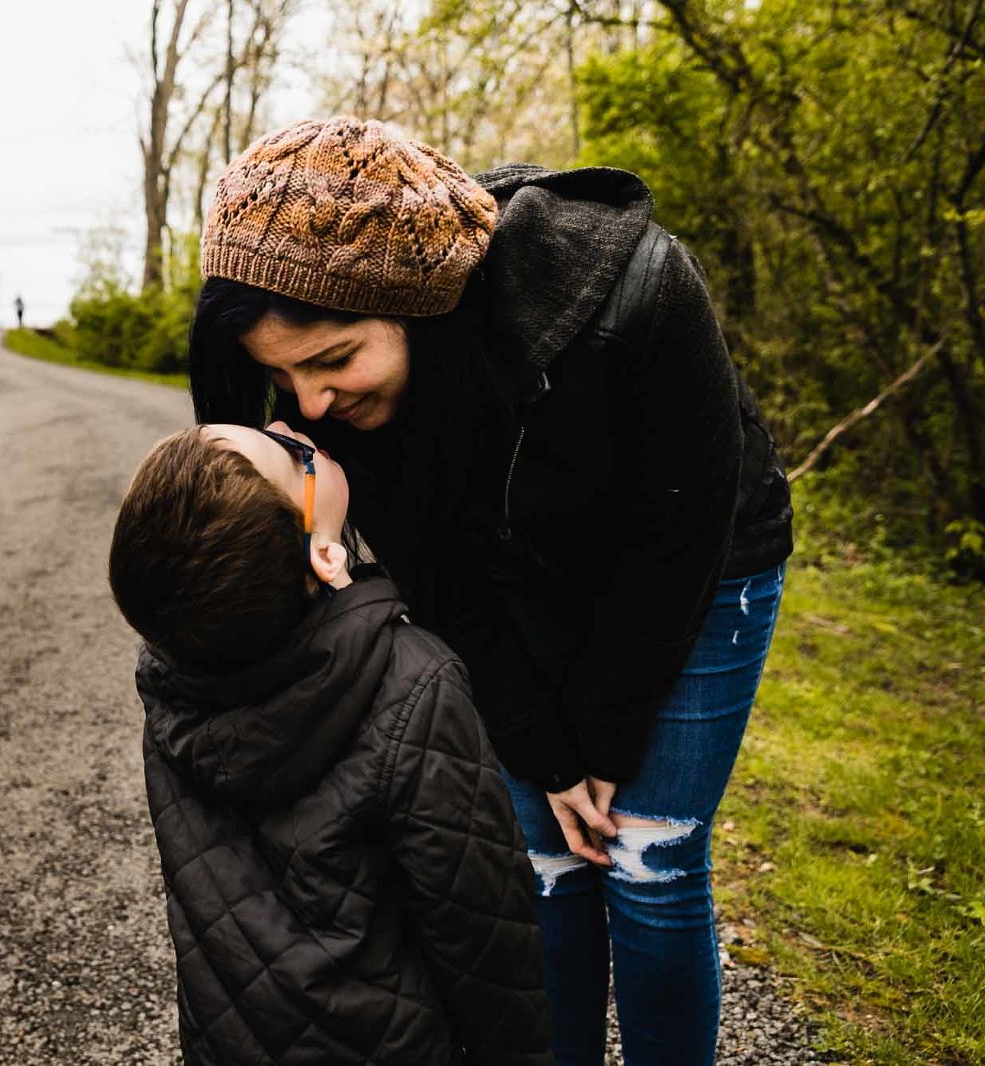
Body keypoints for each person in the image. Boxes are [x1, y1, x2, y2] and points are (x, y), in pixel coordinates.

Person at [187, 116, 794, 1066]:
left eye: (334, 360)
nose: (308, 408)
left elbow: (672, 544)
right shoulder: (351, 411)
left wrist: (604, 736)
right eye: (281, 377)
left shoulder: (638, 290)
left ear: (416, 306)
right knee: (545, 861)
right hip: (514, 579)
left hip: (701, 569)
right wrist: (548, 752)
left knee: (649, 856)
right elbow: (442, 581)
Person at [109, 421, 553, 1065]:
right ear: (325, 554)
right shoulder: (414, 683)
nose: (291, 426)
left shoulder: (172, 682)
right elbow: (480, 928)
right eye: (291, 453)